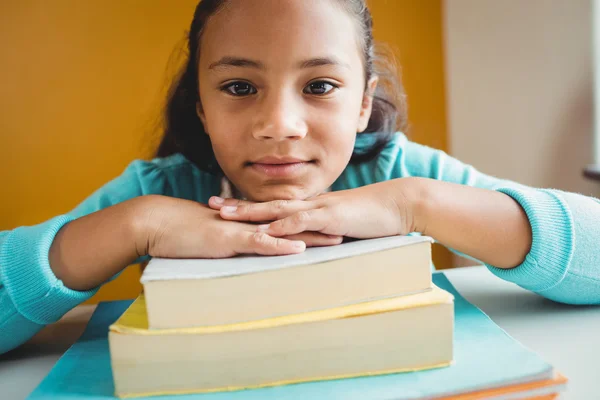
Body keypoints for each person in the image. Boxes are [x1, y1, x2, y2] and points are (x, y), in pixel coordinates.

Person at [1, 0, 599, 355]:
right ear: (202, 106)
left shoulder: (397, 172)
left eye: (318, 86)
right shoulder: (158, 192)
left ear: (363, 105)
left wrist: (418, 203)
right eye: (239, 87)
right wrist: (134, 225)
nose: (280, 125)